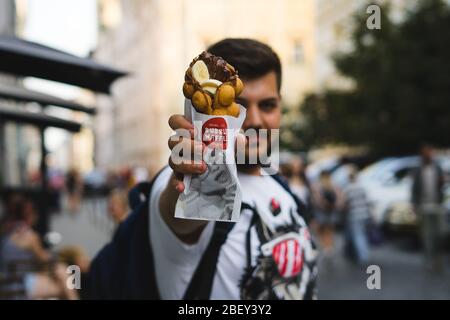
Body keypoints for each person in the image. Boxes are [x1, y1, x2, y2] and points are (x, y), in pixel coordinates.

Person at [87, 38, 318, 300]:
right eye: (239, 105)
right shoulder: (189, 180)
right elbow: (184, 216)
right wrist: (194, 171)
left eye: (267, 105)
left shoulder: (276, 183)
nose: (254, 120)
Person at [0, 194, 77, 300]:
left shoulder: (5, 232)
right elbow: (43, 259)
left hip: (5, 287)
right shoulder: (29, 236)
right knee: (65, 279)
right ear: (29, 214)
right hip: (22, 286)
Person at [411, 144, 446, 271]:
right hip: (424, 207)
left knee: (441, 233)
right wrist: (414, 205)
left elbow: (442, 185)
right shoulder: (418, 170)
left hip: (437, 205)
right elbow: (414, 189)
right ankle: (429, 260)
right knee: (427, 236)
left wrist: (443, 182)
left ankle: (438, 259)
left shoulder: (437, 168)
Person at [311, 170, 344, 256]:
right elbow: (339, 199)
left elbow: (317, 200)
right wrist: (334, 205)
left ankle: (327, 247)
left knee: (324, 230)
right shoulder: (333, 185)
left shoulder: (318, 186)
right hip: (330, 211)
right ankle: (329, 246)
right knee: (329, 230)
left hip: (323, 212)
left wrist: (324, 204)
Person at [342, 168, 371, 265]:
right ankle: (363, 254)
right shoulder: (362, 187)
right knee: (362, 234)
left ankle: (362, 256)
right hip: (364, 213)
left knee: (358, 235)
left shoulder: (348, 188)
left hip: (354, 214)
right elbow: (367, 201)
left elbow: (345, 202)